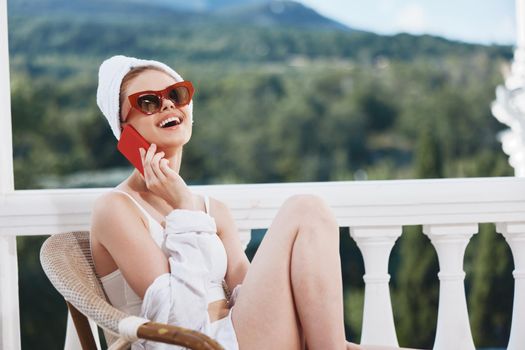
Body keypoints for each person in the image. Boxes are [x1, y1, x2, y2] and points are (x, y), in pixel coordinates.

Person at [90, 55, 389, 350]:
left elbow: (247, 290)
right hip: (197, 344)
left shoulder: (213, 210)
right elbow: (177, 322)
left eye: (176, 94)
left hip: (244, 332)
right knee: (305, 209)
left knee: (309, 213)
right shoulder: (116, 209)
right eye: (148, 102)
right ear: (122, 126)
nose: (167, 104)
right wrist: (183, 205)